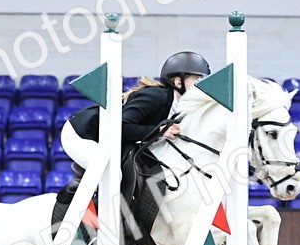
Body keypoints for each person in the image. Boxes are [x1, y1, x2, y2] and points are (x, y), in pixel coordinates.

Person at [58, 51, 212, 172]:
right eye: (197, 79)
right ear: (178, 81)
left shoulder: (182, 106)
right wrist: (158, 131)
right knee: (110, 172)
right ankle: (89, 209)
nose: (202, 85)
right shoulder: (155, 96)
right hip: (82, 134)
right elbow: (120, 126)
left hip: (112, 140)